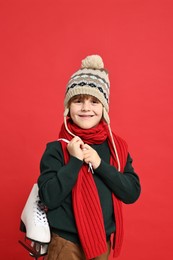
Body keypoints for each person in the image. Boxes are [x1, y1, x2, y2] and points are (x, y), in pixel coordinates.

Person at [37, 55, 141, 260]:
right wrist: (75, 161)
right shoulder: (57, 149)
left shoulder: (116, 147)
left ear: (104, 108)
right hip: (66, 244)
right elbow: (48, 197)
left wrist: (100, 164)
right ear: (68, 107)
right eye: (78, 101)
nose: (86, 108)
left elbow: (131, 193)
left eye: (94, 101)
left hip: (102, 243)